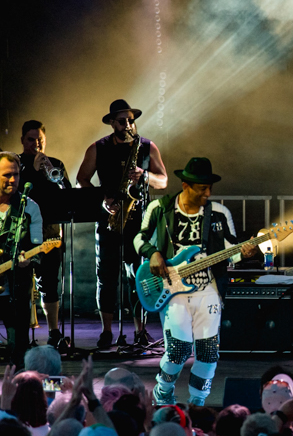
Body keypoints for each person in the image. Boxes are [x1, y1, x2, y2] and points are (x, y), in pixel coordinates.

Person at [134, 156, 257, 405]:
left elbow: (231, 252)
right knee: (178, 350)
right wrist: (154, 254)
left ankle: (198, 402)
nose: (208, 193)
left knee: (209, 352)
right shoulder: (160, 208)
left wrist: (245, 252)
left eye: (210, 188)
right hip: (173, 289)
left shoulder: (219, 213)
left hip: (207, 289)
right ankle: (163, 392)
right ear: (185, 185)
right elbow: (139, 238)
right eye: (203, 188)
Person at [76, 99, 168, 348]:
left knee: (136, 275)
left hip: (138, 220)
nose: (127, 124)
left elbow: (164, 181)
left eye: (130, 120)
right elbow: (81, 179)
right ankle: (107, 331)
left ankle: (140, 330)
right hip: (109, 218)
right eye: (121, 121)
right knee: (105, 276)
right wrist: (101, 200)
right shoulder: (98, 147)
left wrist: (144, 175)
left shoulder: (147, 146)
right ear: (112, 123)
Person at [18, 120, 71, 349]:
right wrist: (32, 169)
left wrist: (48, 171)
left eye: (40, 139)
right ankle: (20, 334)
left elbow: (68, 193)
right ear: (22, 140)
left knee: (50, 282)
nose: (36, 144)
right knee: (21, 284)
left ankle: (54, 332)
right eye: (31, 139)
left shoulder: (55, 164)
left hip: (50, 232)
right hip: (23, 233)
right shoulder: (16, 163)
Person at [0, 152, 43, 368]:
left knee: (19, 346)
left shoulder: (30, 208)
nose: (13, 180)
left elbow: (38, 248)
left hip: (16, 286)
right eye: (7, 175)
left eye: (16, 175)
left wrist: (30, 260)